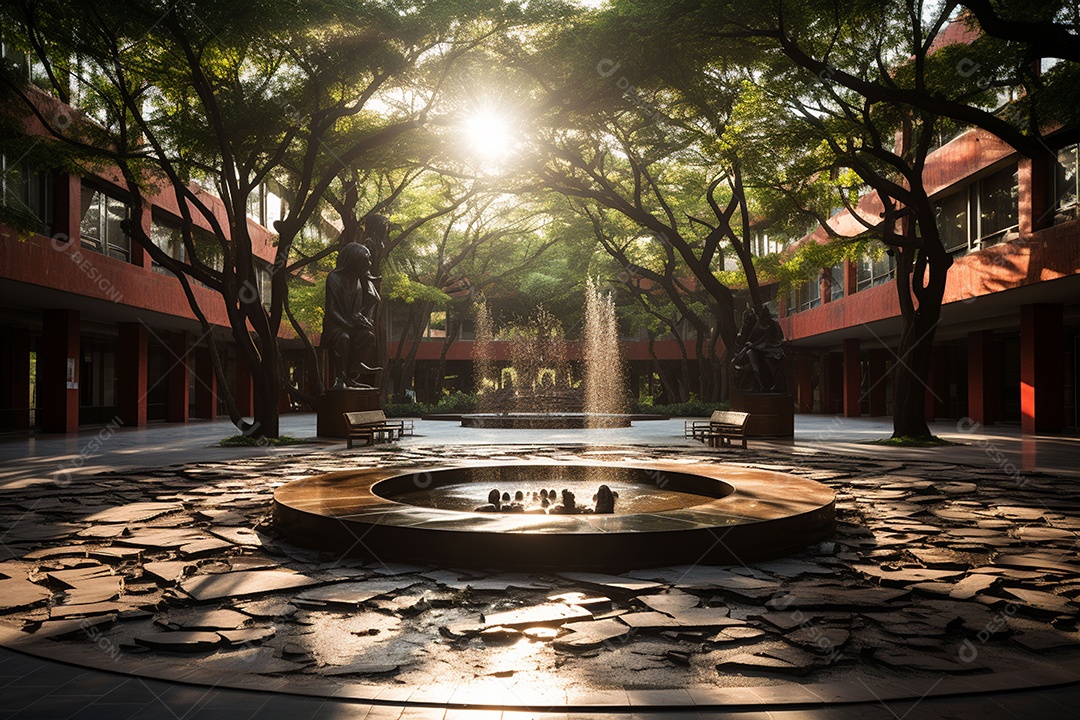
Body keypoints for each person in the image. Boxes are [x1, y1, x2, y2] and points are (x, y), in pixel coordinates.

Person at [322, 242, 381, 390]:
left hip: (350, 324)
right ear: (354, 261)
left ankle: (352, 372)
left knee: (368, 336)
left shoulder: (359, 281)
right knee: (344, 338)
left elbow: (357, 311)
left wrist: (363, 319)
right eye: (366, 260)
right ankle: (340, 378)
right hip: (335, 324)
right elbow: (331, 310)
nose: (369, 263)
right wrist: (349, 326)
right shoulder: (334, 277)